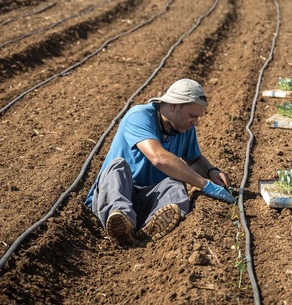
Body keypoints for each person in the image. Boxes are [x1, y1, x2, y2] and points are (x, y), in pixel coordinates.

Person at [85, 79, 235, 246]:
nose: (196, 123)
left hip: (147, 197)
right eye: (192, 116)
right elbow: (158, 157)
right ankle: (120, 219)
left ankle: (146, 230)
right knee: (117, 167)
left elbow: (194, 159)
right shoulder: (139, 116)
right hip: (118, 193)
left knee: (176, 184)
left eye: (198, 117)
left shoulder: (184, 129)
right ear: (173, 106)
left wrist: (210, 171)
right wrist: (204, 184)